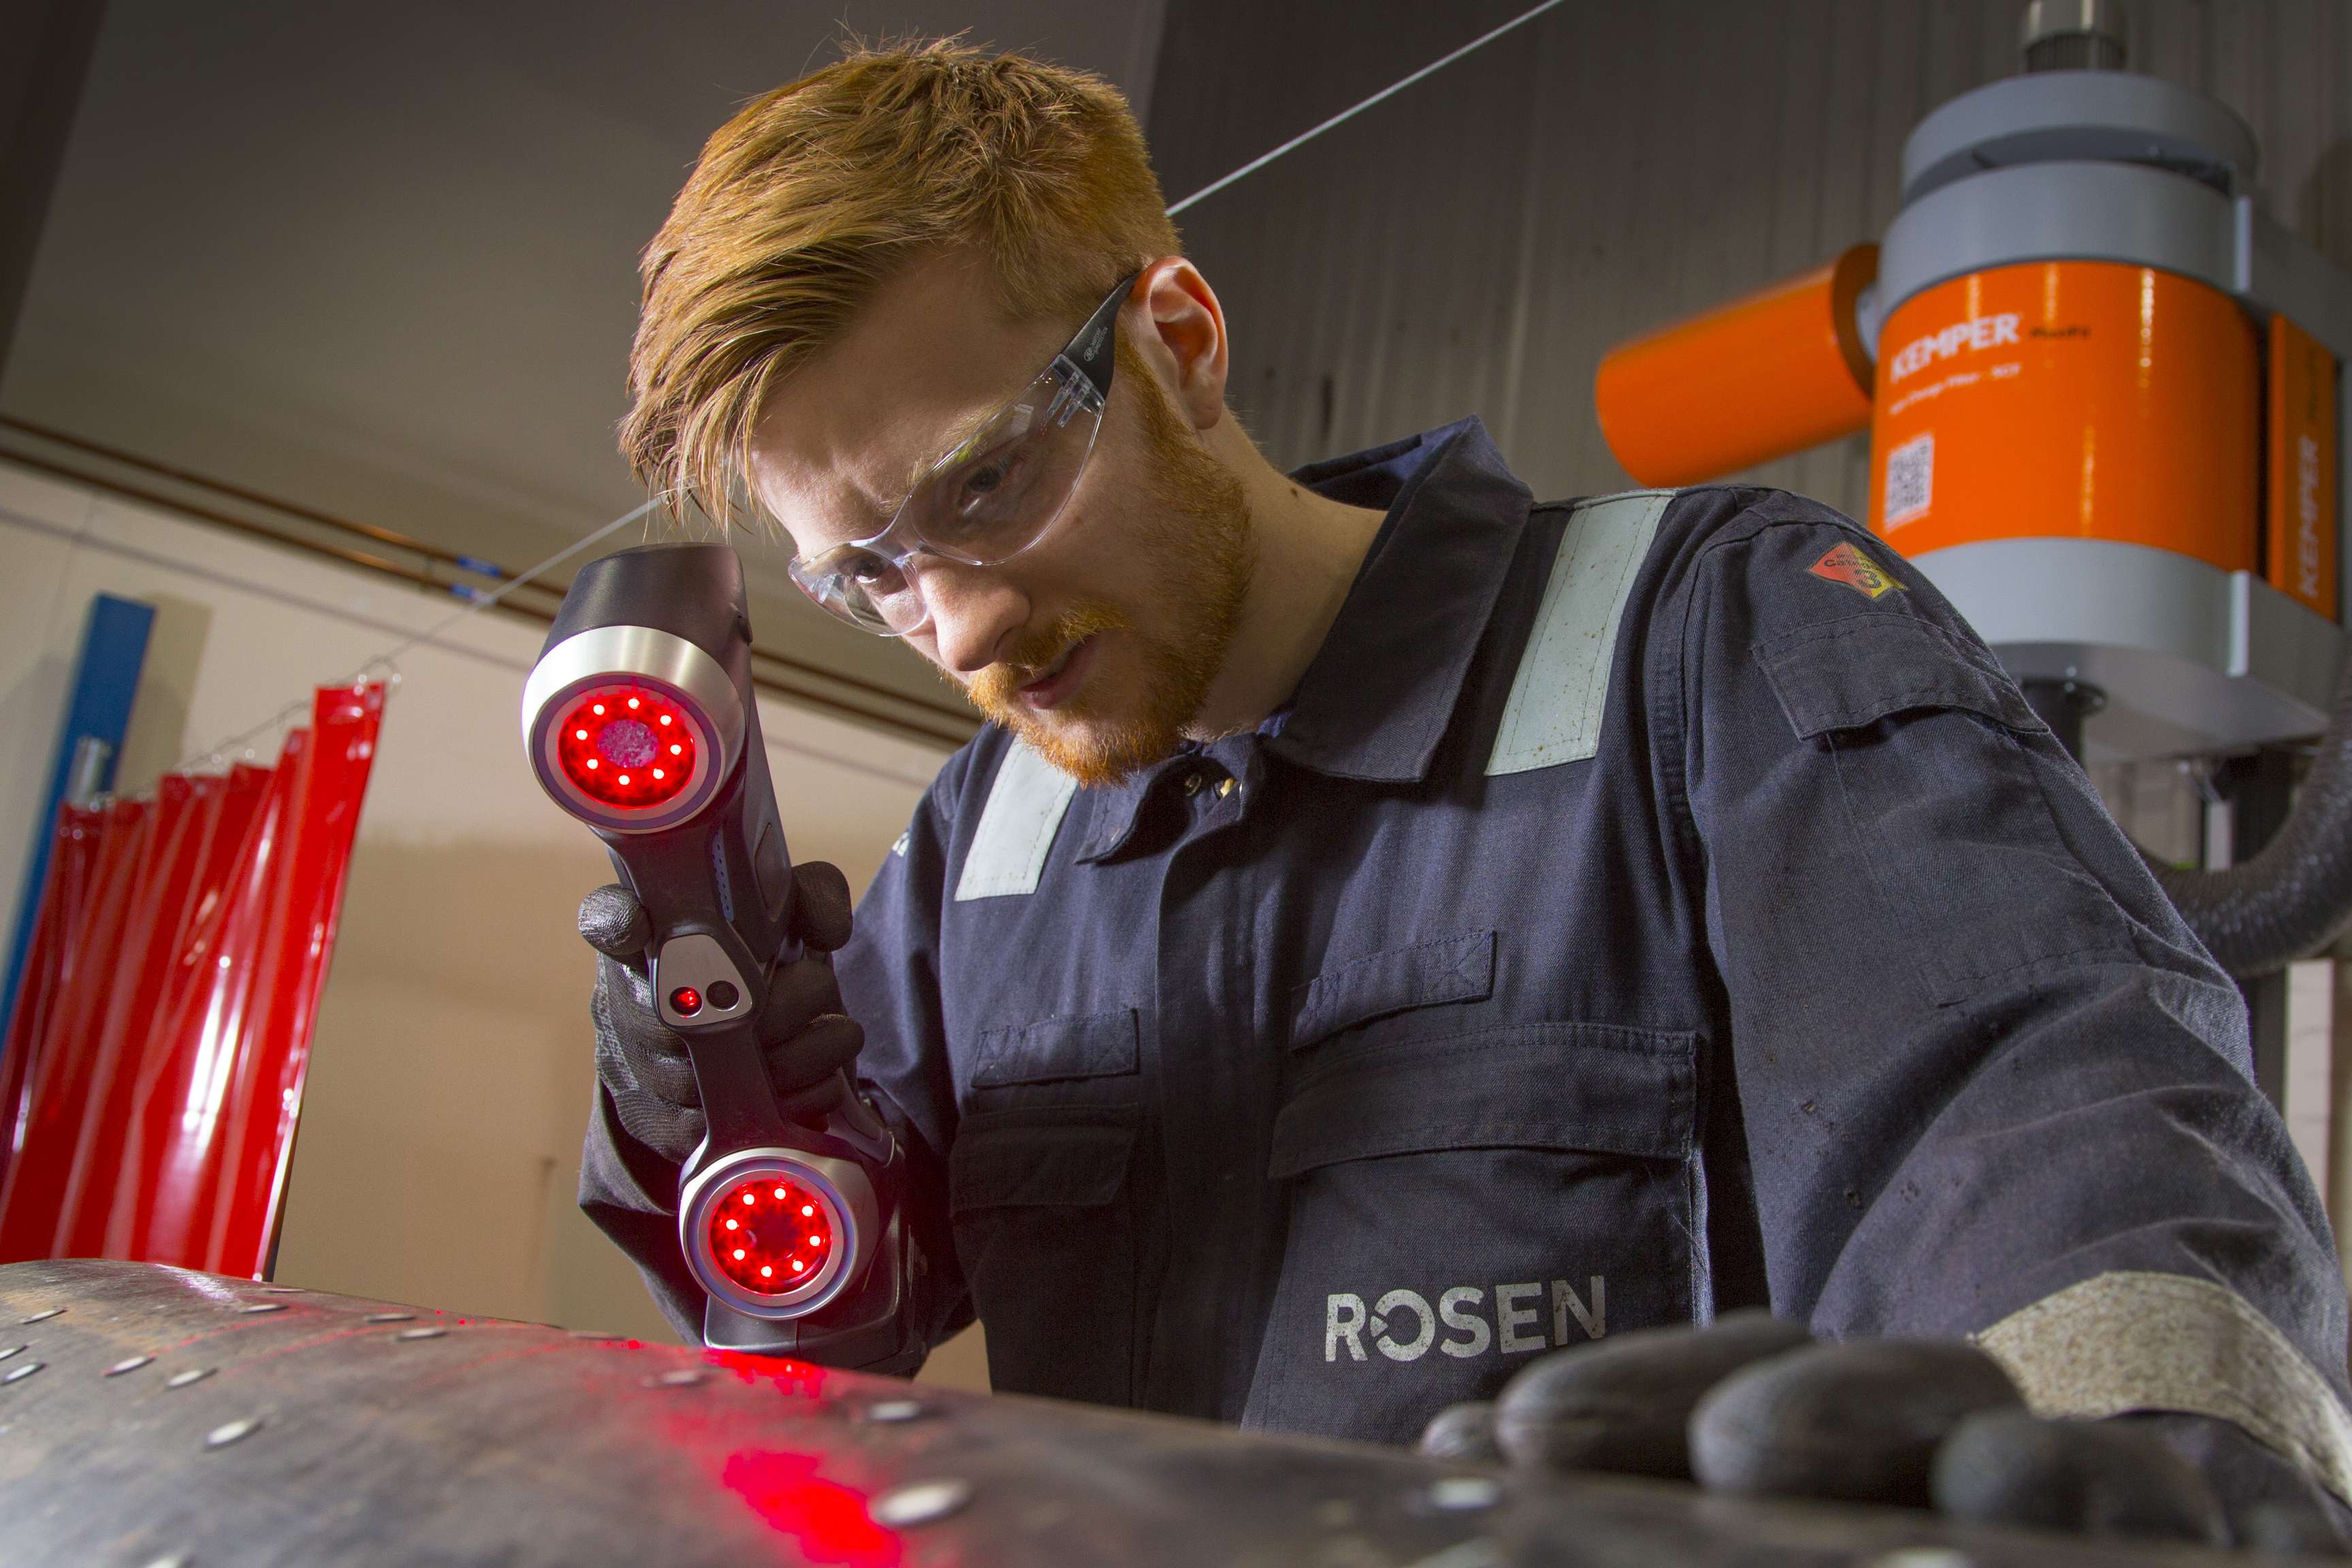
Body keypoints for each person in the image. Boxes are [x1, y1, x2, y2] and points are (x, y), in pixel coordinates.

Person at [576, 38, 2352, 1548]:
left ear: (1181, 341)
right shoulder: (989, 835)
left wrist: (2153, 1487)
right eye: (867, 569)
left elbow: (2045, 1115)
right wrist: (707, 1108)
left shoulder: (1712, 634)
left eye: (983, 488)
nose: (956, 620)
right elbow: (827, 1315)